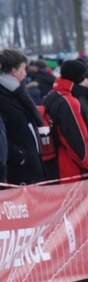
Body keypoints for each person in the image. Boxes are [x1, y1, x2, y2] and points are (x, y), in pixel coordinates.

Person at [43, 60, 88, 181]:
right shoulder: (69, 102)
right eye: (86, 77)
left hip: (51, 165)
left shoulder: (52, 96)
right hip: (70, 169)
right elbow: (77, 140)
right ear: (80, 78)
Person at [0, 48, 47, 185]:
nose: (26, 73)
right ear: (14, 71)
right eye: (23, 69)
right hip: (18, 171)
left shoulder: (18, 92)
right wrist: (21, 157)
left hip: (31, 167)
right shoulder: (3, 97)